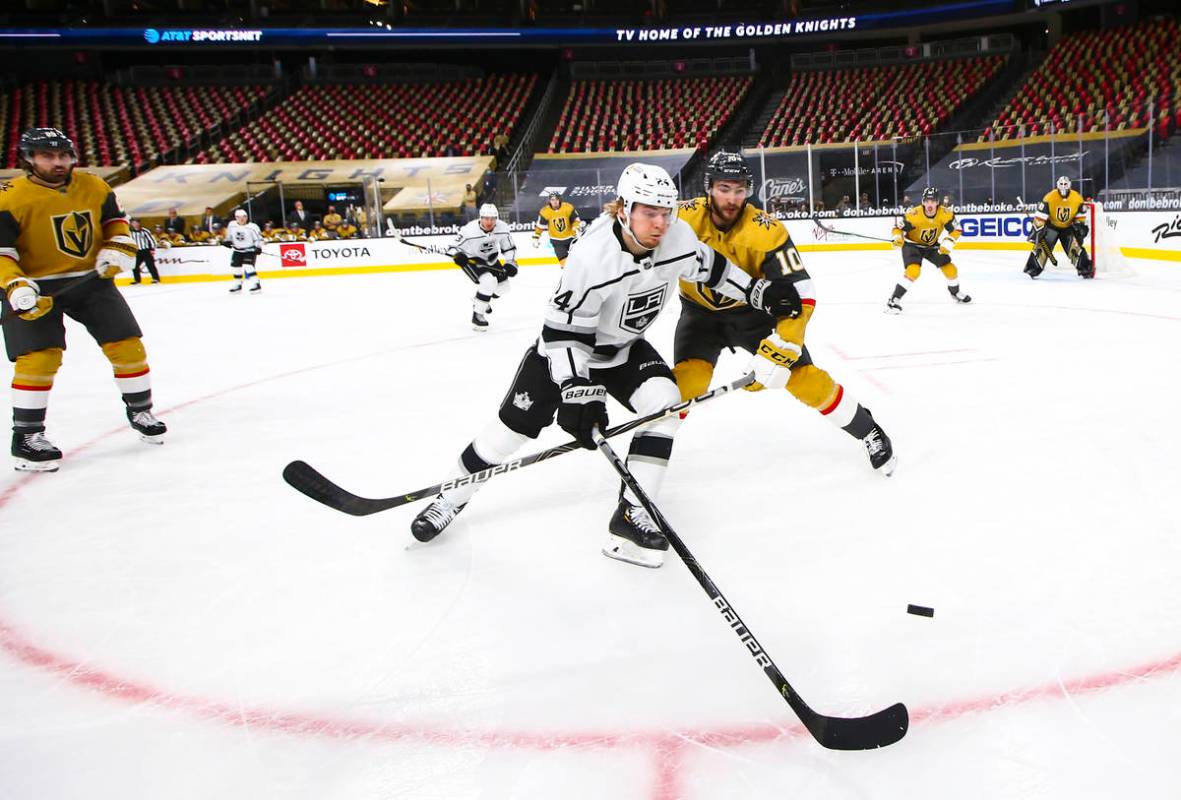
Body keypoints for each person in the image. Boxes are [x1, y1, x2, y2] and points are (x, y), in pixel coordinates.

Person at [409, 163, 804, 567]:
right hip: (564, 355)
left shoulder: (678, 237)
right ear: (623, 209)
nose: (661, 223)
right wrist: (577, 391)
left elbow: (712, 269)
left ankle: (632, 512)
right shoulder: (591, 256)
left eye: (665, 212)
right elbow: (563, 335)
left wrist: (760, 292)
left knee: (665, 406)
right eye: (649, 212)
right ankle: (450, 496)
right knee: (507, 434)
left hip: (624, 349)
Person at [674, 151, 897, 476]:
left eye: (739, 189)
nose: (732, 198)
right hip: (699, 316)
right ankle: (646, 456)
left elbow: (801, 292)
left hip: (754, 315)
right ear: (709, 187)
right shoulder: (680, 217)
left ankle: (868, 429)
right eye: (724, 188)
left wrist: (786, 343)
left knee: (804, 379)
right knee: (683, 387)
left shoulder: (767, 230)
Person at [0, 127, 166, 472]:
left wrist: (118, 245)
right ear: (29, 160)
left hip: (91, 281)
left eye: (63, 155)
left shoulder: (94, 185)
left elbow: (115, 222)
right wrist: (15, 285)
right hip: (35, 285)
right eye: (47, 156)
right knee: (39, 359)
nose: (57, 162)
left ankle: (140, 409)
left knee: (127, 346)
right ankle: (27, 436)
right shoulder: (8, 197)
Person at [885, 187, 971, 313]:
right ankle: (893, 300)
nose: (929, 204)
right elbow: (897, 229)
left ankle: (955, 293)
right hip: (912, 245)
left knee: (951, 269)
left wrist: (949, 241)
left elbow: (957, 230)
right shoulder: (913, 215)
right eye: (927, 201)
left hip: (931, 245)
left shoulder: (945, 213)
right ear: (923, 202)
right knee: (914, 271)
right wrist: (897, 237)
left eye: (933, 201)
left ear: (937, 202)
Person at [446, 203, 519, 331]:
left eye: (492, 219)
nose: (489, 222)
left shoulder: (502, 227)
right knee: (488, 282)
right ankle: (477, 316)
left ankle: (479, 300)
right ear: (481, 218)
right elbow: (453, 247)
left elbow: (508, 247)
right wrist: (458, 256)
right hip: (472, 259)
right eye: (486, 218)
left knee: (504, 287)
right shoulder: (469, 230)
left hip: (491, 259)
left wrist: (510, 262)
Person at [1025, 175, 1092, 279]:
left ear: (1070, 185)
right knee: (1043, 246)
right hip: (1052, 226)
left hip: (1068, 227)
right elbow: (1041, 216)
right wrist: (1037, 230)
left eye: (1066, 184)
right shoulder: (1050, 197)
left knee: (1074, 247)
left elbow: (1080, 215)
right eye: (1061, 184)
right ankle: (1033, 268)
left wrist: (1079, 227)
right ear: (1057, 185)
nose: (1064, 186)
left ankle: (1085, 268)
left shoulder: (1077, 197)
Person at [532, 191, 581, 268]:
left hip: (571, 239)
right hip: (557, 242)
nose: (554, 201)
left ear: (559, 200)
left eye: (556, 199)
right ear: (549, 201)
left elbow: (576, 220)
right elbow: (540, 226)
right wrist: (536, 238)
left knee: (578, 261)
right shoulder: (545, 211)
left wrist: (576, 227)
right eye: (552, 199)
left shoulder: (568, 207)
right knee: (564, 265)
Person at [224, 208, 264, 294]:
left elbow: (259, 239)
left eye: (244, 217)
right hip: (237, 250)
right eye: (239, 217)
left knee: (248, 266)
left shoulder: (253, 227)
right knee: (235, 267)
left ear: (247, 217)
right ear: (236, 218)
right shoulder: (232, 225)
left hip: (249, 249)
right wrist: (227, 241)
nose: (241, 219)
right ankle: (238, 284)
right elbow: (229, 236)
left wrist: (258, 247)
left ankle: (256, 284)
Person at [128, 218, 161, 285]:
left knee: (150, 265)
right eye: (133, 223)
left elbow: (151, 240)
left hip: (146, 250)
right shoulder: (130, 232)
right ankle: (137, 280)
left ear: (139, 223)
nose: (134, 224)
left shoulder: (145, 231)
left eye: (136, 223)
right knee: (134, 266)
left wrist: (152, 249)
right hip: (137, 251)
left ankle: (156, 279)